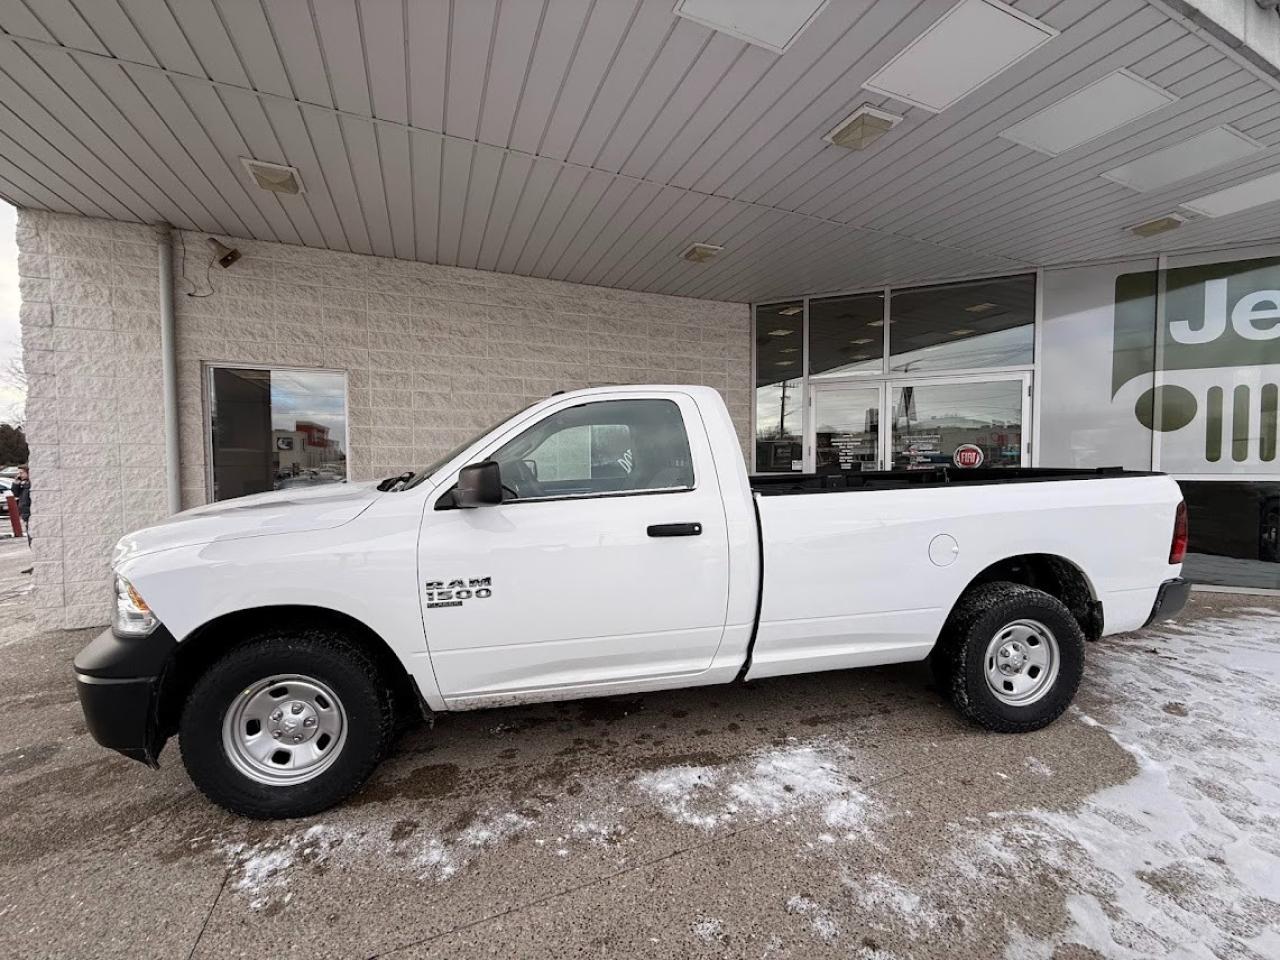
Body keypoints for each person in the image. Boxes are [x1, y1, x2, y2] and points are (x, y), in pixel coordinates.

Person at [12, 465, 31, 573]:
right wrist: (16, 482)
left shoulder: (30, 485)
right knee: (30, 541)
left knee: (33, 540)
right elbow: (15, 493)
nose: (19, 475)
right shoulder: (23, 485)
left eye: (21, 473)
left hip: (30, 515)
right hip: (25, 515)